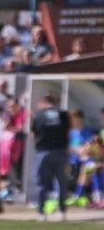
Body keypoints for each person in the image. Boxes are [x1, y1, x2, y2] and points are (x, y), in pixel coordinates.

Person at [32, 93, 71, 221]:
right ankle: (62, 211)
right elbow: (68, 131)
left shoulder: (39, 115)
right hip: (60, 151)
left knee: (42, 183)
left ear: (44, 102)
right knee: (61, 182)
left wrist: (38, 148)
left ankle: (41, 213)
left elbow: (34, 134)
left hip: (44, 151)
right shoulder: (63, 114)